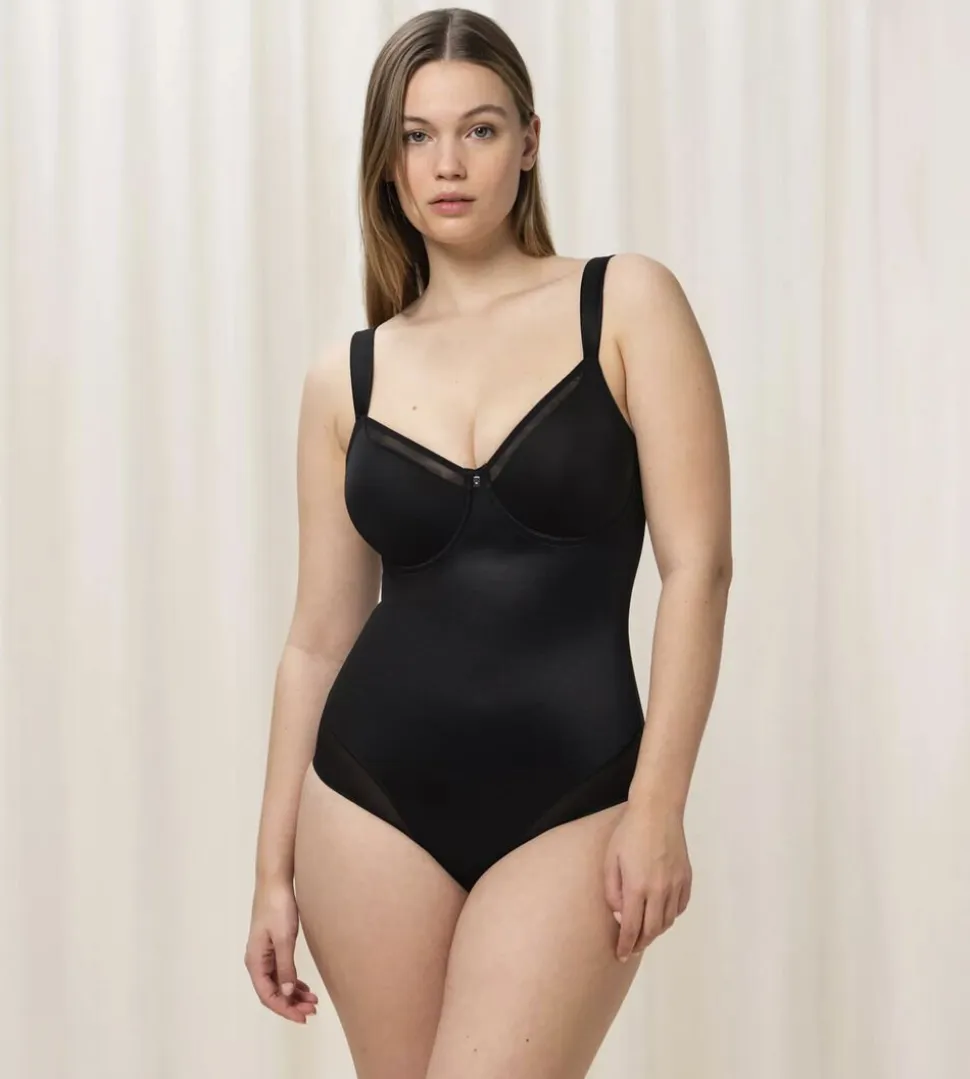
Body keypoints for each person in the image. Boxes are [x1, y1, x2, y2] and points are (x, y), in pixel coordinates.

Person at [245, 7, 732, 1078]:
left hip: (575, 793)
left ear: (529, 142)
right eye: (416, 136)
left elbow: (698, 568)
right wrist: (271, 871)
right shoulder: (346, 376)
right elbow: (317, 639)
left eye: (479, 129)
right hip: (367, 801)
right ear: (386, 162)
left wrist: (659, 805)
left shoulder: (625, 302)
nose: (448, 163)